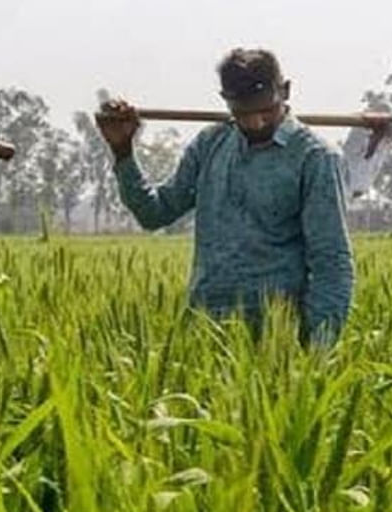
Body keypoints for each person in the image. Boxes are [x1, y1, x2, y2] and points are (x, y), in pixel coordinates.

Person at [96, 48, 358, 346]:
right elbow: (155, 213)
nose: (257, 123)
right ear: (226, 101)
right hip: (205, 332)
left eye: (266, 110)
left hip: (275, 340)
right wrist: (122, 151)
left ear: (284, 91)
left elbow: (332, 263)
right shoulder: (211, 145)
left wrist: (316, 352)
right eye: (244, 114)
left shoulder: (315, 158)